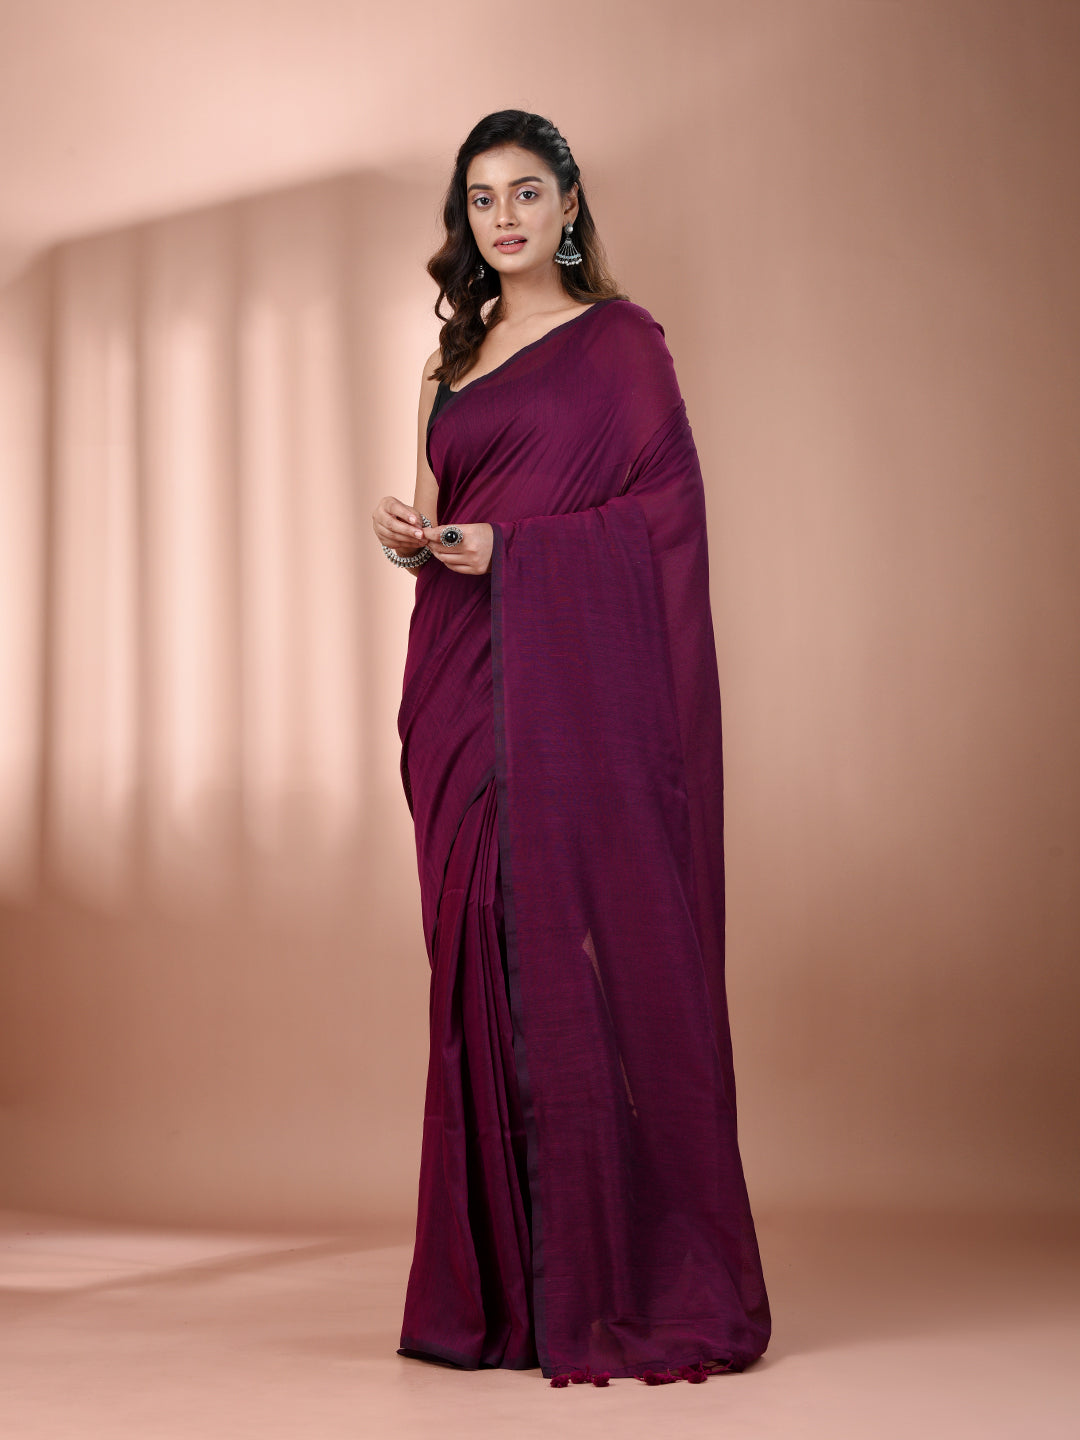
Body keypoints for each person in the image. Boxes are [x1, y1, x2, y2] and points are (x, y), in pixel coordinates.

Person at [371, 109, 771, 1388]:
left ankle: (604, 1276)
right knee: (476, 950)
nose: (504, 218)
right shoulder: (446, 362)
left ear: (570, 205)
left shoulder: (622, 343)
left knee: (576, 944)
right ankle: (496, 1285)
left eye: (527, 193)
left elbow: (665, 516)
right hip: (458, 679)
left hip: (567, 687)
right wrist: (413, 539)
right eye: (482, 198)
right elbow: (445, 517)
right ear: (466, 218)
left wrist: (517, 552)